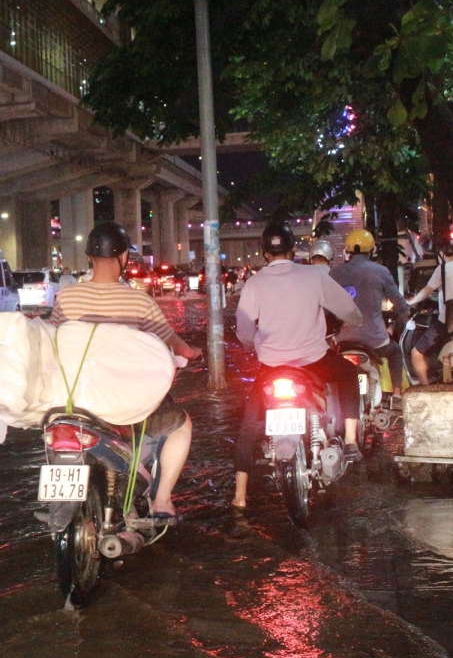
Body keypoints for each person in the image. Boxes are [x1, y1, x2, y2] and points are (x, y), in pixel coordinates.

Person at [49, 222, 202, 520]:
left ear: (89, 257)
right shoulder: (138, 301)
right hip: (124, 404)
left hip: (76, 401)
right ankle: (161, 500)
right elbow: (177, 346)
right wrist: (192, 353)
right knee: (181, 425)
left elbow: (53, 342)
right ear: (123, 258)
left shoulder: (67, 298)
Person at [232, 223, 364, 510]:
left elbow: (243, 330)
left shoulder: (254, 283)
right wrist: (356, 319)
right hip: (314, 362)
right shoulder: (313, 275)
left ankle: (239, 495)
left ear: (265, 253)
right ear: (293, 250)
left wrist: (254, 345)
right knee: (348, 372)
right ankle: (351, 441)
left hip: (271, 367)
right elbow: (347, 309)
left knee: (251, 422)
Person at [330, 229, 411, 405]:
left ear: (348, 251)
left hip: (342, 341)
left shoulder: (334, 273)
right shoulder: (380, 271)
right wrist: (400, 319)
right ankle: (396, 395)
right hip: (374, 341)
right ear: (372, 250)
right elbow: (400, 305)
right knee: (395, 352)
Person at [406, 239, 453, 386]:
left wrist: (410, 302)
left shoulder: (442, 269)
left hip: (451, 322)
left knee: (416, 352)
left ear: (442, 254)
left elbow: (425, 292)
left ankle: (426, 388)